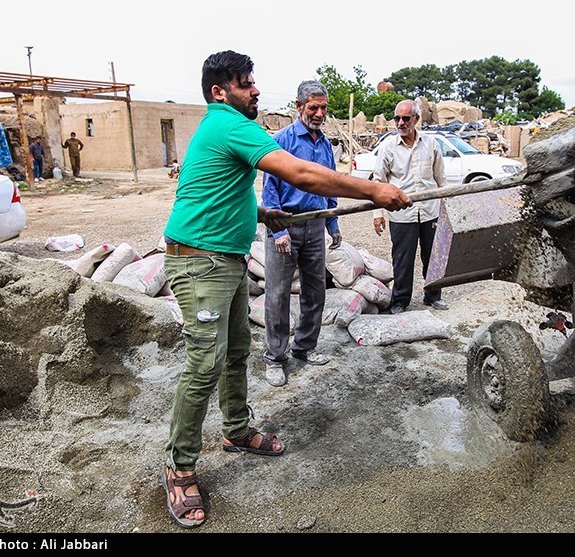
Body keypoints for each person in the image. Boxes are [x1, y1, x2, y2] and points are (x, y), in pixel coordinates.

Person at [160, 50, 410, 529]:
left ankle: (235, 430)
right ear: (220, 91)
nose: (255, 90)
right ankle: (179, 465)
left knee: (236, 352)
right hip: (199, 263)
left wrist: (260, 214)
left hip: (224, 259)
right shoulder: (229, 123)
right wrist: (374, 190)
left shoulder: (221, 129)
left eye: (253, 82)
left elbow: (206, 191)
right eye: (246, 83)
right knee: (205, 362)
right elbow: (297, 173)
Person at [261, 80, 341, 387]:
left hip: (315, 225)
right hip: (286, 226)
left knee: (315, 291)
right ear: (299, 107)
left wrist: (332, 224)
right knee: (278, 295)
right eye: (313, 107)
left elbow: (331, 185)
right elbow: (270, 186)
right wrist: (277, 230)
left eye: (323, 108)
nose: (319, 113)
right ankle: (275, 358)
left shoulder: (324, 144)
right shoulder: (281, 140)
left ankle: (305, 346)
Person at [372, 99, 448, 314]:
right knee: (402, 260)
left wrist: (446, 209)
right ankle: (400, 300)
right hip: (401, 215)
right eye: (397, 118)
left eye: (406, 118)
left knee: (433, 257)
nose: (401, 122)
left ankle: (433, 295)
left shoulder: (431, 144)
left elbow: (441, 179)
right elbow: (378, 182)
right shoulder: (388, 148)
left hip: (430, 212)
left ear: (416, 119)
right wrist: (378, 214)